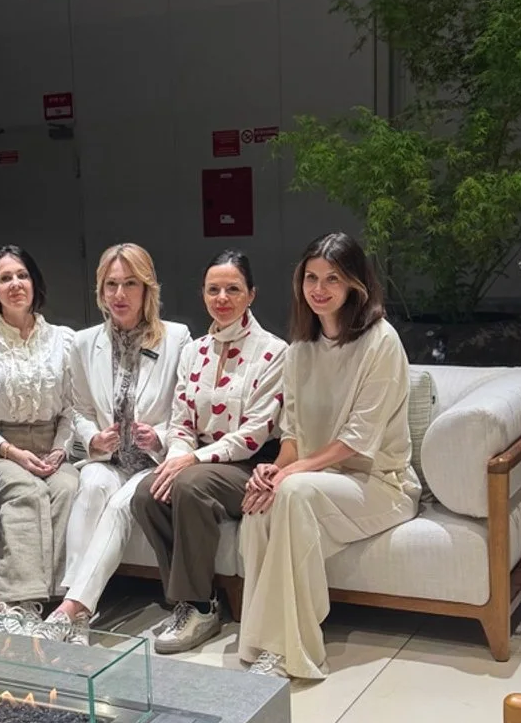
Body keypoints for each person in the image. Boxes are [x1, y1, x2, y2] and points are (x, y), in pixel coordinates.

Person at [238, 233, 420, 681]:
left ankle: (293, 653)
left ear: (356, 284)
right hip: (321, 480)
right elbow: (294, 435)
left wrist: (293, 474)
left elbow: (358, 441)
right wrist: (273, 469)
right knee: (259, 506)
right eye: (311, 278)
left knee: (294, 493)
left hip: (381, 484)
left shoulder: (381, 342)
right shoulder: (300, 349)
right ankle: (262, 642)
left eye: (332, 279)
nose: (319, 289)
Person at [131, 250, 286, 654]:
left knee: (191, 484)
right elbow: (182, 420)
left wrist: (192, 460)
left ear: (251, 294)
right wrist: (178, 455)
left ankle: (199, 607)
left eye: (233, 289)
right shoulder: (194, 350)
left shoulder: (273, 352)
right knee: (147, 492)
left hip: (250, 466)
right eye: (213, 289)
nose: (222, 298)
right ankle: (189, 600)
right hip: (198, 460)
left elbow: (255, 433)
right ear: (203, 294)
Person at [37, 243, 190, 643]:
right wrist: (92, 438)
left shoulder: (177, 338)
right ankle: (79, 618)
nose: (119, 295)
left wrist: (159, 436)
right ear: (101, 291)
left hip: (155, 464)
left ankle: (71, 610)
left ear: (147, 289)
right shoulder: (85, 343)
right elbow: (80, 408)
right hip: (109, 460)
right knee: (91, 487)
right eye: (111, 285)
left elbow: (186, 412)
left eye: (129, 284)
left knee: (123, 502)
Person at [0, 245, 79, 634]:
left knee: (68, 488)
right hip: (2, 445)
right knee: (26, 490)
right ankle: (15, 601)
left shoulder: (65, 341)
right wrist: (13, 453)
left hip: (55, 444)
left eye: (21, 275)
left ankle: (61, 602)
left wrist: (61, 448)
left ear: (34, 282)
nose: (15, 284)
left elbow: (74, 408)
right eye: (5, 278)